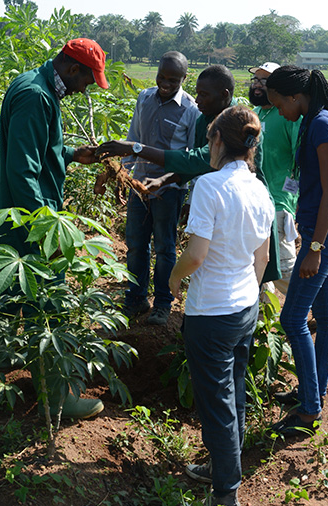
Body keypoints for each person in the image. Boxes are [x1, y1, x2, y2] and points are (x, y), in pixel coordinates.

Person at [0, 38, 109, 420]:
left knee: (14, 301)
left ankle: (4, 376)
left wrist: (73, 154)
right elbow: (22, 172)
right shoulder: (35, 96)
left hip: (16, 218)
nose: (84, 89)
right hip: (30, 223)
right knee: (51, 311)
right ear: (72, 69)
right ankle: (59, 400)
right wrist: (49, 230)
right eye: (87, 81)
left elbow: (39, 151)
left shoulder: (36, 85)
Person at [169, 105, 274, 506]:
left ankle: (227, 497)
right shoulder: (260, 189)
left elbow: (196, 256)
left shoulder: (210, 187)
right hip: (245, 305)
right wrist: (245, 288)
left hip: (211, 312)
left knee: (216, 403)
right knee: (233, 393)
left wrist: (174, 279)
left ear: (216, 141)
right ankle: (220, 467)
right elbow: (262, 259)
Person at [96, 65, 282, 286]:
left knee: (245, 271)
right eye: (197, 92)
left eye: (204, 94)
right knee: (222, 268)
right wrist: (163, 180)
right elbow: (192, 165)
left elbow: (197, 158)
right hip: (222, 204)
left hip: (244, 206)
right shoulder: (205, 118)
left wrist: (135, 148)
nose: (197, 99)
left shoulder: (235, 122)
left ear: (224, 95)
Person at [266, 66, 328, 437]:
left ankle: (308, 410)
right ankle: (312, 390)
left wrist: (315, 247)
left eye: (278, 104)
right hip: (323, 231)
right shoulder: (314, 119)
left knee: (292, 319)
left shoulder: (320, 124)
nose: (279, 112)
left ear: (295, 97)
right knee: (326, 317)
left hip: (327, 236)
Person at [120, 51, 200, 326]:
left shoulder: (191, 109)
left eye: (173, 80)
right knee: (135, 245)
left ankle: (163, 304)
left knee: (165, 248)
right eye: (162, 77)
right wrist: (123, 172)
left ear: (184, 78)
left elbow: (192, 158)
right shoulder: (144, 98)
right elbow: (134, 138)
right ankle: (136, 297)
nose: (165, 84)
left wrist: (188, 193)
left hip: (169, 190)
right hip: (139, 184)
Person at [249, 62, 302, 295]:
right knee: (259, 260)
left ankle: (310, 309)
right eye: (256, 80)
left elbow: (299, 160)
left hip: (279, 199)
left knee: (284, 264)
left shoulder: (289, 116)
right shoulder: (258, 114)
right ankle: (264, 318)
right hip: (255, 200)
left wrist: (293, 196)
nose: (258, 85)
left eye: (264, 81)